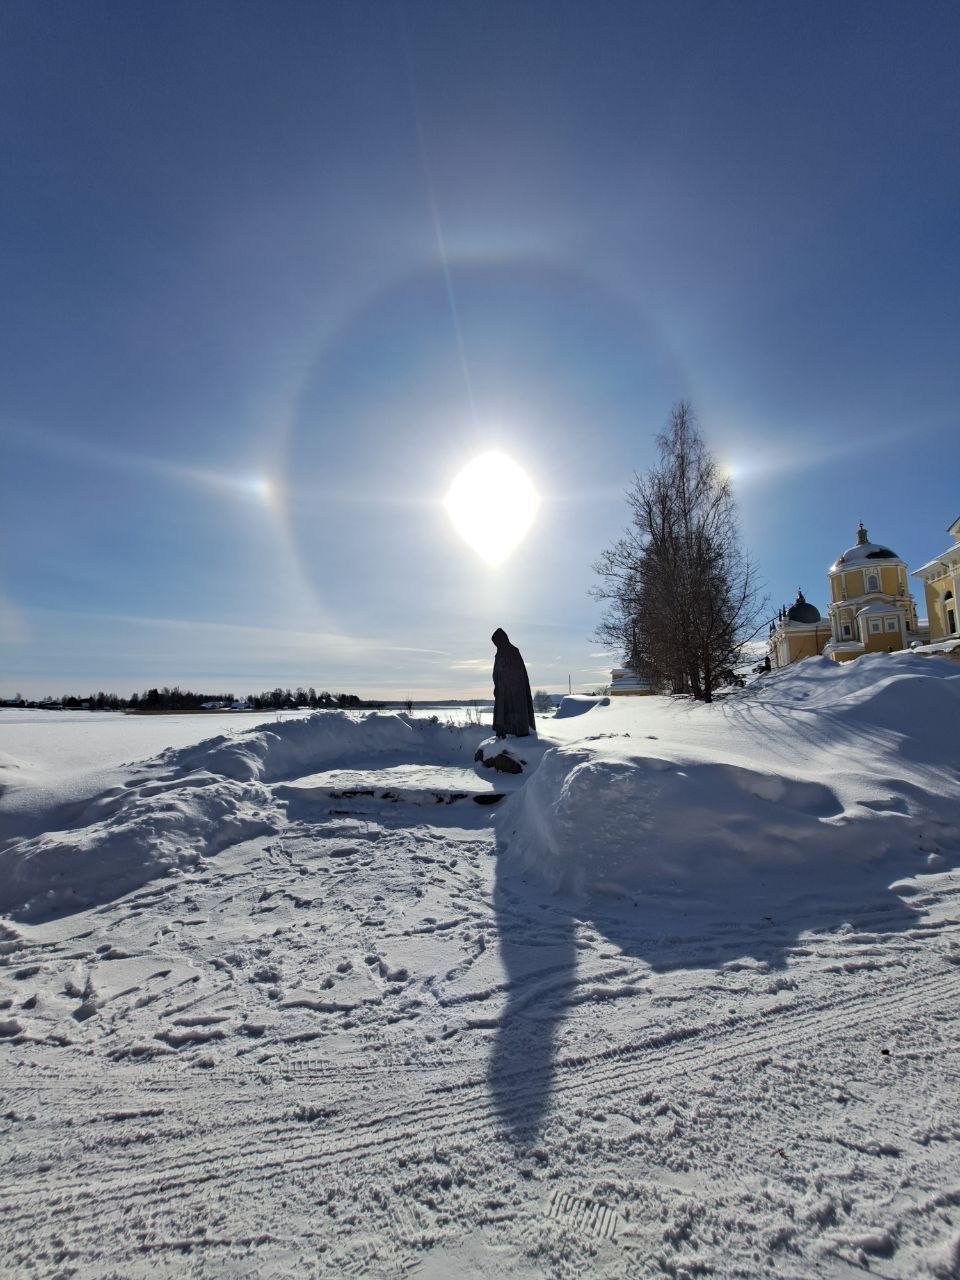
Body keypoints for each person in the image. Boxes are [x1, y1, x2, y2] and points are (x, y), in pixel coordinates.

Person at [491, 628, 536, 738]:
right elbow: (496, 672)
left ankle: (515, 732)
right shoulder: (499, 654)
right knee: (501, 716)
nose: (497, 645)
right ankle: (502, 733)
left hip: (514, 694)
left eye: (498, 642)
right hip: (502, 692)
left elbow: (519, 674)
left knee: (513, 717)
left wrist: (508, 683)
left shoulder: (513, 652)